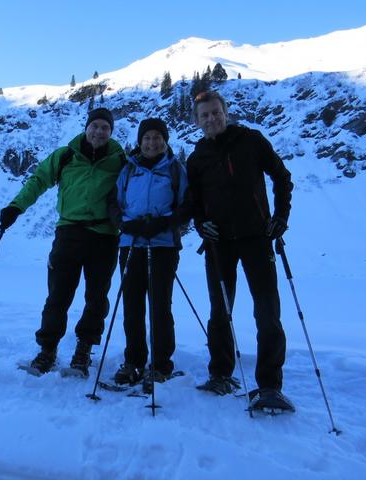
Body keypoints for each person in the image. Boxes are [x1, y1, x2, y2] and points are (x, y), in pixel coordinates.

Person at [186, 91, 294, 407]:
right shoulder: (197, 158)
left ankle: (270, 385)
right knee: (220, 312)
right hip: (218, 244)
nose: (211, 118)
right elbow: (193, 202)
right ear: (196, 121)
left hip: (256, 239)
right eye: (204, 115)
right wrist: (200, 223)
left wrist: (280, 218)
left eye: (215, 112)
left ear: (226, 112)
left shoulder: (251, 141)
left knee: (267, 312)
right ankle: (220, 374)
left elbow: (282, 178)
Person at [0, 108, 126, 376]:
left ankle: (83, 351)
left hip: (104, 237)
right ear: (86, 127)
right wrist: (15, 207)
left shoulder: (120, 160)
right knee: (58, 295)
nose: (99, 131)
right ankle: (48, 350)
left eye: (105, 127)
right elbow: (39, 180)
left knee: (96, 298)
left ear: (111, 131)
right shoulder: (66, 155)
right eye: (95, 126)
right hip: (69, 233)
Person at [108, 118, 187, 393]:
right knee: (132, 307)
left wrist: (164, 223)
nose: (152, 143)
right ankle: (134, 362)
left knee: (159, 307)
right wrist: (124, 224)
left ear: (165, 140)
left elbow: (186, 206)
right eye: (147, 138)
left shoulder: (175, 169)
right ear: (140, 141)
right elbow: (114, 203)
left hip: (163, 246)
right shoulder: (128, 170)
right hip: (131, 244)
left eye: (157, 137)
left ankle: (162, 364)